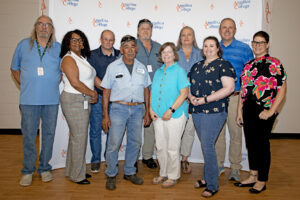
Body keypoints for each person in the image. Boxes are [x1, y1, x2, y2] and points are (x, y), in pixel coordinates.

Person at [11, 15, 61, 187]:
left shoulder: (58, 48)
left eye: (48, 25)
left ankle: (44, 167)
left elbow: (63, 71)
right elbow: (14, 68)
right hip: (28, 100)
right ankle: (27, 171)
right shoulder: (23, 45)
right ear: (35, 27)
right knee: (29, 136)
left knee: (48, 135)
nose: (44, 27)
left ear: (52, 29)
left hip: (51, 100)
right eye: (41, 24)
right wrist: (25, 84)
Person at [234, 31, 287, 193]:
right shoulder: (248, 65)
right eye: (255, 42)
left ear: (267, 44)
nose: (257, 45)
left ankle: (262, 180)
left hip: (265, 109)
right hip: (248, 108)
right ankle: (253, 175)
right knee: (251, 144)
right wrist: (239, 111)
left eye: (261, 42)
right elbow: (243, 90)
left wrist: (271, 111)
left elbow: (282, 89)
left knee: (262, 145)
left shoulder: (274, 63)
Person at [101, 35, 151, 190]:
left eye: (132, 46)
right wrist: (105, 115)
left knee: (135, 142)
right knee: (114, 143)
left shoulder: (141, 67)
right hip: (118, 109)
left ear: (136, 49)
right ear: (121, 49)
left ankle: (129, 172)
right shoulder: (113, 67)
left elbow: (146, 90)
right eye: (126, 46)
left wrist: (147, 112)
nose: (130, 50)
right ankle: (110, 174)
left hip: (138, 109)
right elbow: (106, 92)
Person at [189, 36, 236, 197]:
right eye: (205, 46)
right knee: (206, 146)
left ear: (217, 48)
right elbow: (187, 85)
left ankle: (213, 185)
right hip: (197, 111)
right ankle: (206, 177)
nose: (208, 48)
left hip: (214, 111)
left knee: (207, 146)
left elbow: (229, 88)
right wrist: (191, 97)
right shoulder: (197, 66)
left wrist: (205, 99)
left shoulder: (224, 65)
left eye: (212, 46)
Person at [216, 18, 253, 181]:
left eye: (230, 27)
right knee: (218, 135)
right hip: (216, 99)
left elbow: (249, 77)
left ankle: (236, 168)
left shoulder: (245, 49)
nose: (227, 30)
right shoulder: (213, 47)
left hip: (235, 98)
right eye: (224, 27)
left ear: (235, 30)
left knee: (236, 134)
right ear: (219, 30)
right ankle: (217, 166)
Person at [60, 29, 98, 185]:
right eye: (73, 40)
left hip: (82, 100)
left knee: (76, 138)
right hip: (74, 100)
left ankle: (72, 170)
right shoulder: (68, 59)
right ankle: (77, 175)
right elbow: (75, 82)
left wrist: (108, 88)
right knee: (79, 139)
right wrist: (93, 94)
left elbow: (93, 79)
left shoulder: (81, 58)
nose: (77, 42)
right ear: (68, 42)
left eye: (80, 40)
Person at [150, 42, 189, 188]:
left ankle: (173, 176)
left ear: (174, 54)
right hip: (158, 115)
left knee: (172, 147)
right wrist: (151, 110)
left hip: (176, 114)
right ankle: (163, 173)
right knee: (160, 146)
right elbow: (153, 92)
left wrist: (171, 110)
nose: (166, 54)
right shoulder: (158, 72)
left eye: (169, 52)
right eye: (163, 52)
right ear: (161, 55)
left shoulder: (179, 71)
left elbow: (184, 93)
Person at [87, 30, 120, 173]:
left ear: (114, 41)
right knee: (95, 129)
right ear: (100, 40)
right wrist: (106, 88)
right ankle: (95, 159)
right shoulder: (92, 55)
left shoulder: (120, 55)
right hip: (99, 97)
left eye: (111, 40)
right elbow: (91, 75)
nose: (108, 42)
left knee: (113, 131)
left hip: (116, 99)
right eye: (106, 39)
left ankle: (110, 159)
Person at [176, 26, 203, 174]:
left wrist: (191, 95)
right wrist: (183, 95)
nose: (186, 37)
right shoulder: (173, 54)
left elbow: (203, 76)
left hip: (194, 99)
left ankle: (184, 159)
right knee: (175, 130)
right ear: (180, 38)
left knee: (189, 130)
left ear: (193, 37)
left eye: (189, 35)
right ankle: (173, 159)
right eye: (183, 35)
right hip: (177, 99)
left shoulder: (201, 54)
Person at [136, 18, 161, 169]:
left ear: (152, 30)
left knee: (150, 127)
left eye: (148, 28)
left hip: (155, 94)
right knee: (134, 128)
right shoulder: (132, 46)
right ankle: (133, 157)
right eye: (142, 28)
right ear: (138, 31)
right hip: (136, 94)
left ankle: (147, 156)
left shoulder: (159, 47)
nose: (145, 31)